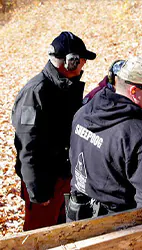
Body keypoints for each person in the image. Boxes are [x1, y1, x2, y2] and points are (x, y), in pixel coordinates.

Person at [66, 56, 142, 221]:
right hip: (116, 227)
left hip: (76, 215)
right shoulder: (139, 134)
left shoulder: (83, 112)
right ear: (133, 91)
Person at [11, 31, 96, 230]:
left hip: (62, 176)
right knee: (39, 236)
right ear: (70, 62)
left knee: (61, 232)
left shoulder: (64, 87)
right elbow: (26, 145)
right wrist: (37, 192)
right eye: (82, 60)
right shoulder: (36, 93)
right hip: (44, 182)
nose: (84, 64)